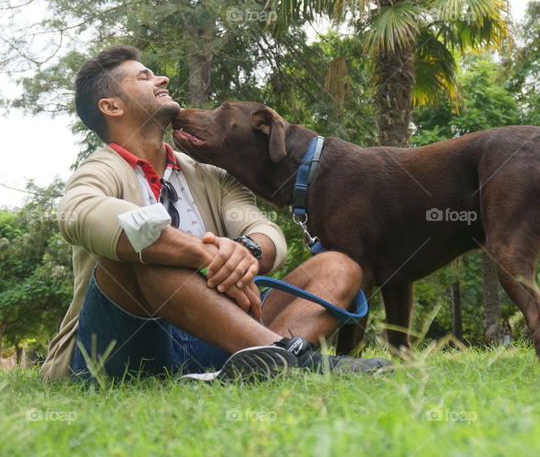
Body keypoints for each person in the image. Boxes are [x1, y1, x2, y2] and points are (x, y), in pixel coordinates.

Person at [41, 45, 390, 382]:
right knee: (148, 246)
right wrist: (201, 252)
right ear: (111, 106)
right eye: (145, 77)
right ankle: (294, 360)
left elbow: (265, 234)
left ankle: (260, 362)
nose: (161, 79)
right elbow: (79, 214)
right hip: (125, 347)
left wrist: (247, 252)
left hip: (220, 337)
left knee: (338, 266)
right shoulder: (97, 170)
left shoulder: (209, 174)